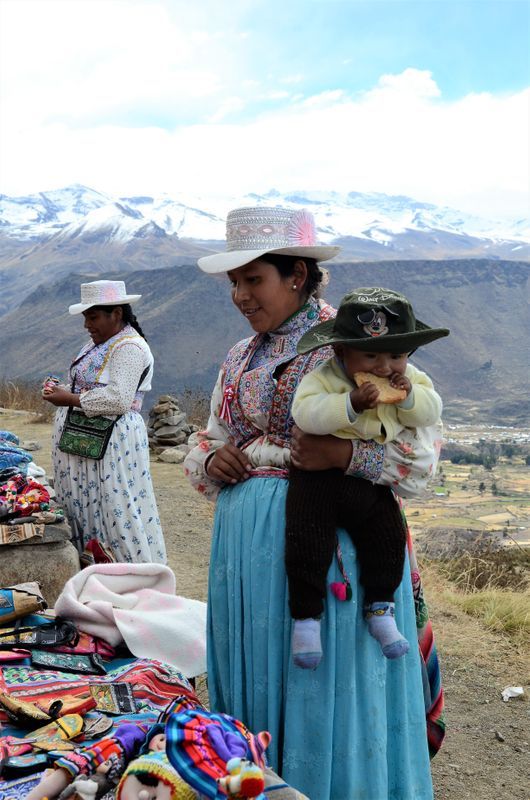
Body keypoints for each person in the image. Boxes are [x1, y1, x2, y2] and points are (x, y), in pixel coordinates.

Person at [184, 206, 445, 800]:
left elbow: (420, 461)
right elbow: (213, 435)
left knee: (329, 688)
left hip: (335, 551)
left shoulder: (356, 344)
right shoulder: (240, 357)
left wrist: (347, 459)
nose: (240, 296)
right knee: (263, 685)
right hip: (246, 555)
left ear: (297, 274)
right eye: (235, 282)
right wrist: (210, 459)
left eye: (254, 280)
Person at [286, 287, 449, 669]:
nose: (384, 367)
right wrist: (350, 405)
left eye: (397, 355)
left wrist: (409, 398)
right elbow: (306, 414)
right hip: (319, 480)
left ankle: (381, 609)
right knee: (307, 538)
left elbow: (430, 411)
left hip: (370, 484)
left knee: (388, 535)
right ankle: (306, 617)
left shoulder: (413, 380)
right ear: (341, 352)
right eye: (371, 354)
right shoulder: (323, 378)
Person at [42, 279, 166, 564]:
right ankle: (90, 564)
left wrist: (70, 400)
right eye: (86, 317)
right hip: (85, 437)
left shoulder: (130, 348)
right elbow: (89, 383)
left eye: (93, 316)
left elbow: (119, 399)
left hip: (112, 440)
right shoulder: (99, 343)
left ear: (117, 314)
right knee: (85, 503)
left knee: (112, 503)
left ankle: (126, 570)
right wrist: (59, 390)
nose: (87, 324)